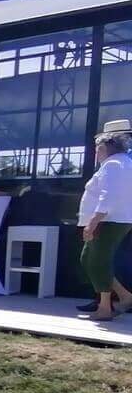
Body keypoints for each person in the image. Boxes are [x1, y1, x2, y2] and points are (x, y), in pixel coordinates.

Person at [77, 132, 132, 320]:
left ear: (103, 148)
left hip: (107, 221)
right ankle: (125, 296)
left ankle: (105, 308)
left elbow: (107, 196)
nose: (96, 153)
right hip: (114, 220)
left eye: (97, 149)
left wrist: (93, 223)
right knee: (88, 259)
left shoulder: (113, 165)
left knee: (99, 261)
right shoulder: (124, 163)